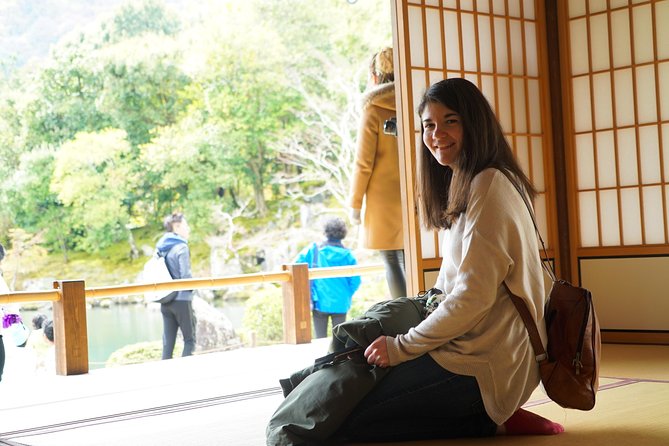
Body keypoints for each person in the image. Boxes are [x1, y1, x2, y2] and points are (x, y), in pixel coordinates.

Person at [331, 78, 564, 442]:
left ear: (474, 123)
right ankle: (492, 414)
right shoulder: (469, 180)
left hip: (487, 362)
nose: (437, 133)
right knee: (350, 379)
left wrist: (401, 347)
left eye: (450, 121)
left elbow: (471, 299)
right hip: (469, 345)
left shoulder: (489, 187)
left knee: (345, 421)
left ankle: (492, 417)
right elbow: (451, 288)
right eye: (429, 124)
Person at [349, 47, 406, 298]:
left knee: (392, 261)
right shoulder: (416, 103)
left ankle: (405, 320)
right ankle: (424, 320)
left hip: (384, 200)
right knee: (413, 258)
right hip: (416, 192)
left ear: (376, 75)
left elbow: (363, 163)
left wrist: (355, 204)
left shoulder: (373, 109)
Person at [295, 217, 362, 339]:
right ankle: (339, 358)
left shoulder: (314, 250)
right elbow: (356, 281)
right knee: (340, 340)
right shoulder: (348, 255)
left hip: (319, 302)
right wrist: (346, 293)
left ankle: (322, 358)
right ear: (343, 234)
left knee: (320, 339)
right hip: (341, 303)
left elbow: (296, 265)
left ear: (325, 232)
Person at [156, 212, 196, 359]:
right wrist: (193, 291)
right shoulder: (181, 247)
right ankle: (186, 377)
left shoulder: (161, 247)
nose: (188, 229)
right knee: (190, 341)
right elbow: (186, 277)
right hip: (182, 299)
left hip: (165, 299)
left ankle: (165, 378)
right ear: (177, 227)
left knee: (168, 344)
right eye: (186, 225)